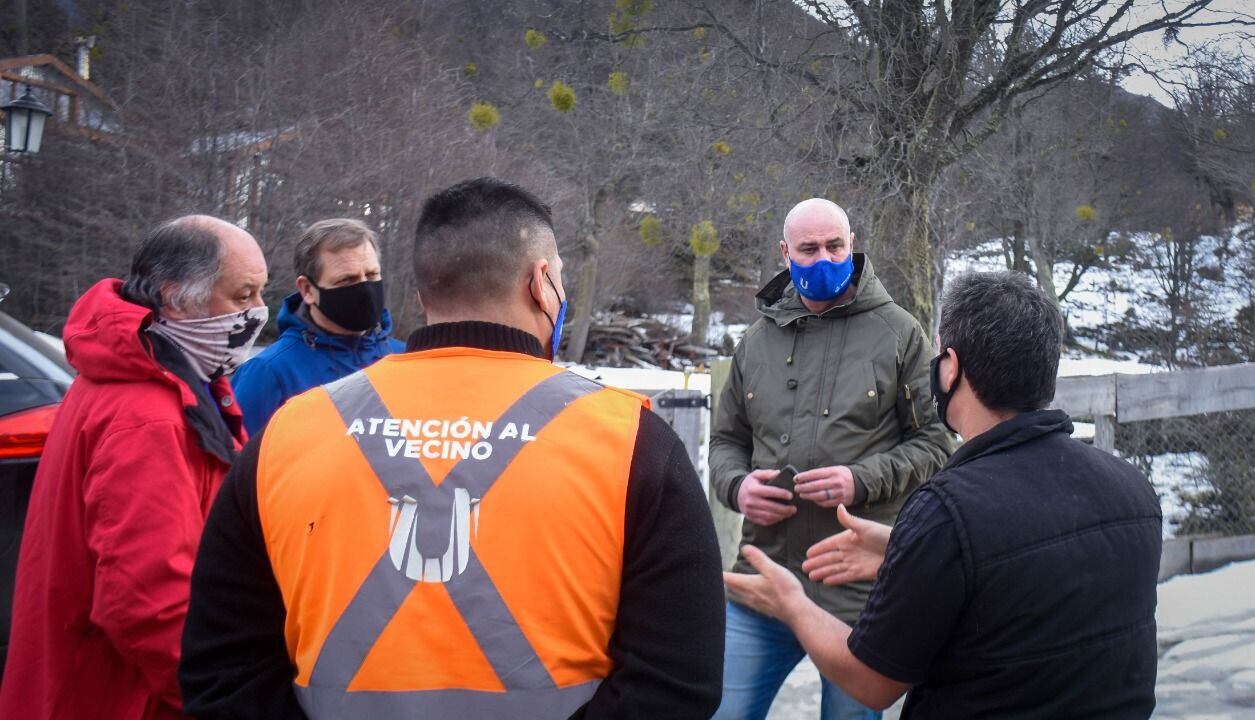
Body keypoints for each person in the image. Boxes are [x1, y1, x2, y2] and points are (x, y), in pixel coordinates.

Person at [179, 177, 725, 719]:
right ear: (542, 283)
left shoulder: (289, 431)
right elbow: (677, 681)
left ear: (422, 294)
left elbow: (223, 668)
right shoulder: (632, 438)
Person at [725, 271, 1164, 719]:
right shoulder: (1134, 491)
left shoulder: (948, 512)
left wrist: (791, 603)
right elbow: (1029, 576)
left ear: (950, 368)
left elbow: (872, 684)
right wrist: (906, 547)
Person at [0, 216, 269, 720]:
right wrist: (222, 697)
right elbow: (148, 603)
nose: (258, 313)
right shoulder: (147, 415)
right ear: (176, 298)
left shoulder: (176, 380)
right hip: (120, 696)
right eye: (243, 295)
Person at [709, 198, 952, 719]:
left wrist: (860, 480)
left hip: (858, 589)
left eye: (835, 246)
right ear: (785, 252)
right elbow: (725, 443)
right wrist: (738, 488)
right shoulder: (754, 342)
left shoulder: (900, 333)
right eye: (809, 248)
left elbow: (936, 442)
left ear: (852, 245)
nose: (824, 259)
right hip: (764, 574)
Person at [232, 218, 405, 436]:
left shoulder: (407, 358)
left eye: (372, 275)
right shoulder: (269, 373)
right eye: (347, 280)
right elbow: (236, 465)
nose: (365, 289)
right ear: (307, 290)